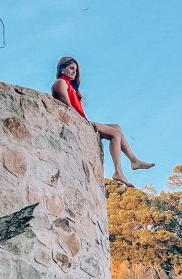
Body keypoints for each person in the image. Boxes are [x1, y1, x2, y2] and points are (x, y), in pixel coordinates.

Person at [51, 56, 154, 186]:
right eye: (71, 68)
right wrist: (84, 124)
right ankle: (119, 171)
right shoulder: (61, 83)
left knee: (116, 127)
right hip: (77, 122)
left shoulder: (70, 86)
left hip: (82, 121)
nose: (74, 72)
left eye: (75, 70)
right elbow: (68, 107)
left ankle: (134, 160)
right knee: (115, 133)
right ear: (62, 69)